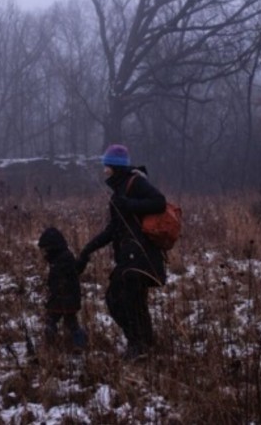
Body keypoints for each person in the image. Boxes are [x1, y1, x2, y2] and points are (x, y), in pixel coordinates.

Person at [76, 144, 167, 360]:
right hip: (130, 256)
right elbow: (113, 229)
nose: (104, 170)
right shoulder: (119, 190)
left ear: (114, 167)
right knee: (134, 302)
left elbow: (159, 202)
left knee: (116, 299)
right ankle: (144, 346)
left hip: (140, 256)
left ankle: (137, 345)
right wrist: (89, 249)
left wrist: (128, 204)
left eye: (106, 166)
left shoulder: (135, 182)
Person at [38, 227, 87, 350]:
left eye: (46, 249)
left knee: (52, 321)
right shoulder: (65, 257)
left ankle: (49, 345)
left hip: (61, 300)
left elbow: (56, 283)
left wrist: (53, 296)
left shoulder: (61, 261)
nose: (45, 252)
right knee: (72, 323)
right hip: (69, 300)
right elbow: (77, 270)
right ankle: (79, 344)